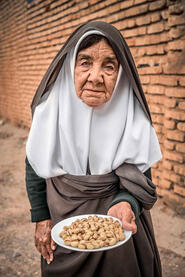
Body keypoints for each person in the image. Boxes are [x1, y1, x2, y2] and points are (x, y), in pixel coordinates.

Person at [25, 21, 162, 277]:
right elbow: (34, 163)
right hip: (63, 230)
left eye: (109, 66)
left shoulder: (132, 119)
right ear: (70, 66)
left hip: (119, 236)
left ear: (121, 73)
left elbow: (141, 182)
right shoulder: (51, 111)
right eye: (85, 62)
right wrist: (41, 216)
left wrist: (127, 203)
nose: (96, 77)